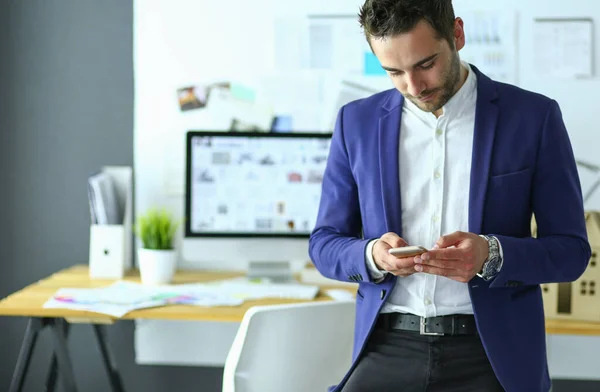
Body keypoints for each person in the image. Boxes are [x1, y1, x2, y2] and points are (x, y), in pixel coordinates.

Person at [308, 1, 591, 391]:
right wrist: (372, 255)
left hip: (492, 355)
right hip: (386, 344)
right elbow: (324, 244)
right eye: (393, 71)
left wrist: (491, 255)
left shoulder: (533, 117)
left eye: (425, 64)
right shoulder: (355, 123)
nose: (413, 86)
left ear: (457, 34)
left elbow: (571, 253)